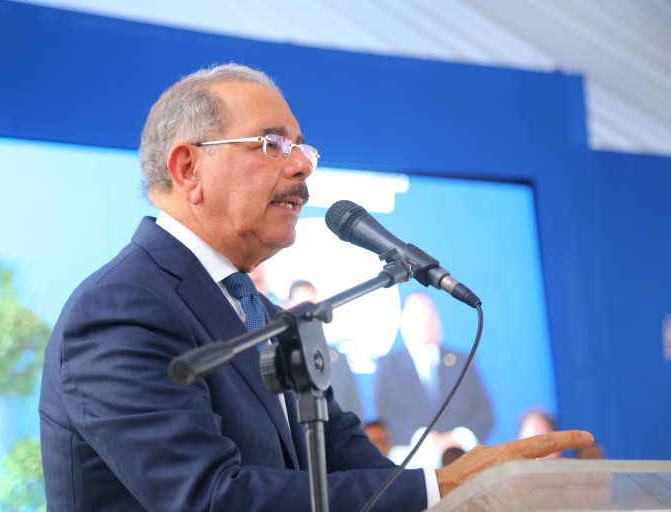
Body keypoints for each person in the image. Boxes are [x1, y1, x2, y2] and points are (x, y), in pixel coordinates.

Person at [39, 63, 596, 511]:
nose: (303, 166)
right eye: (272, 144)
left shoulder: (265, 314)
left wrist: (475, 496)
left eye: (303, 147)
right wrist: (441, 488)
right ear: (188, 169)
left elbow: (353, 464)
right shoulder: (122, 307)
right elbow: (209, 498)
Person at [373, 293, 494, 465]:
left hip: (462, 457)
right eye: (420, 313)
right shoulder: (388, 365)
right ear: (403, 320)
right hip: (412, 461)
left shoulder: (462, 361)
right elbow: (385, 412)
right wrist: (420, 437)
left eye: (431, 312)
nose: (427, 319)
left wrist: (460, 437)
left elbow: (484, 410)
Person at [286, 279, 364, 418]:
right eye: (302, 305)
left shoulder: (337, 359)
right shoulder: (281, 358)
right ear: (288, 306)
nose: (309, 313)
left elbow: (353, 410)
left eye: (313, 305)